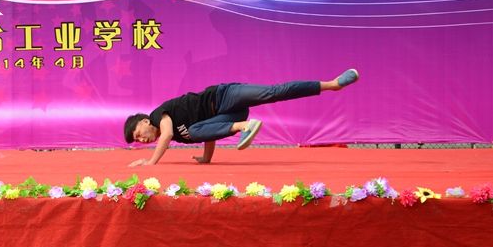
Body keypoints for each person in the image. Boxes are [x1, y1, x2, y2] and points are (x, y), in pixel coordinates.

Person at [124, 70, 360, 166]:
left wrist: (151, 162)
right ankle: (244, 126)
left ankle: (332, 84)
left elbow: (165, 134)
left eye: (138, 135)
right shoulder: (181, 136)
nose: (142, 140)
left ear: (144, 122)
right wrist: (206, 159)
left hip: (225, 95)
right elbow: (208, 133)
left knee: (273, 92)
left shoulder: (158, 116)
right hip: (230, 116)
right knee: (196, 131)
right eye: (138, 141)